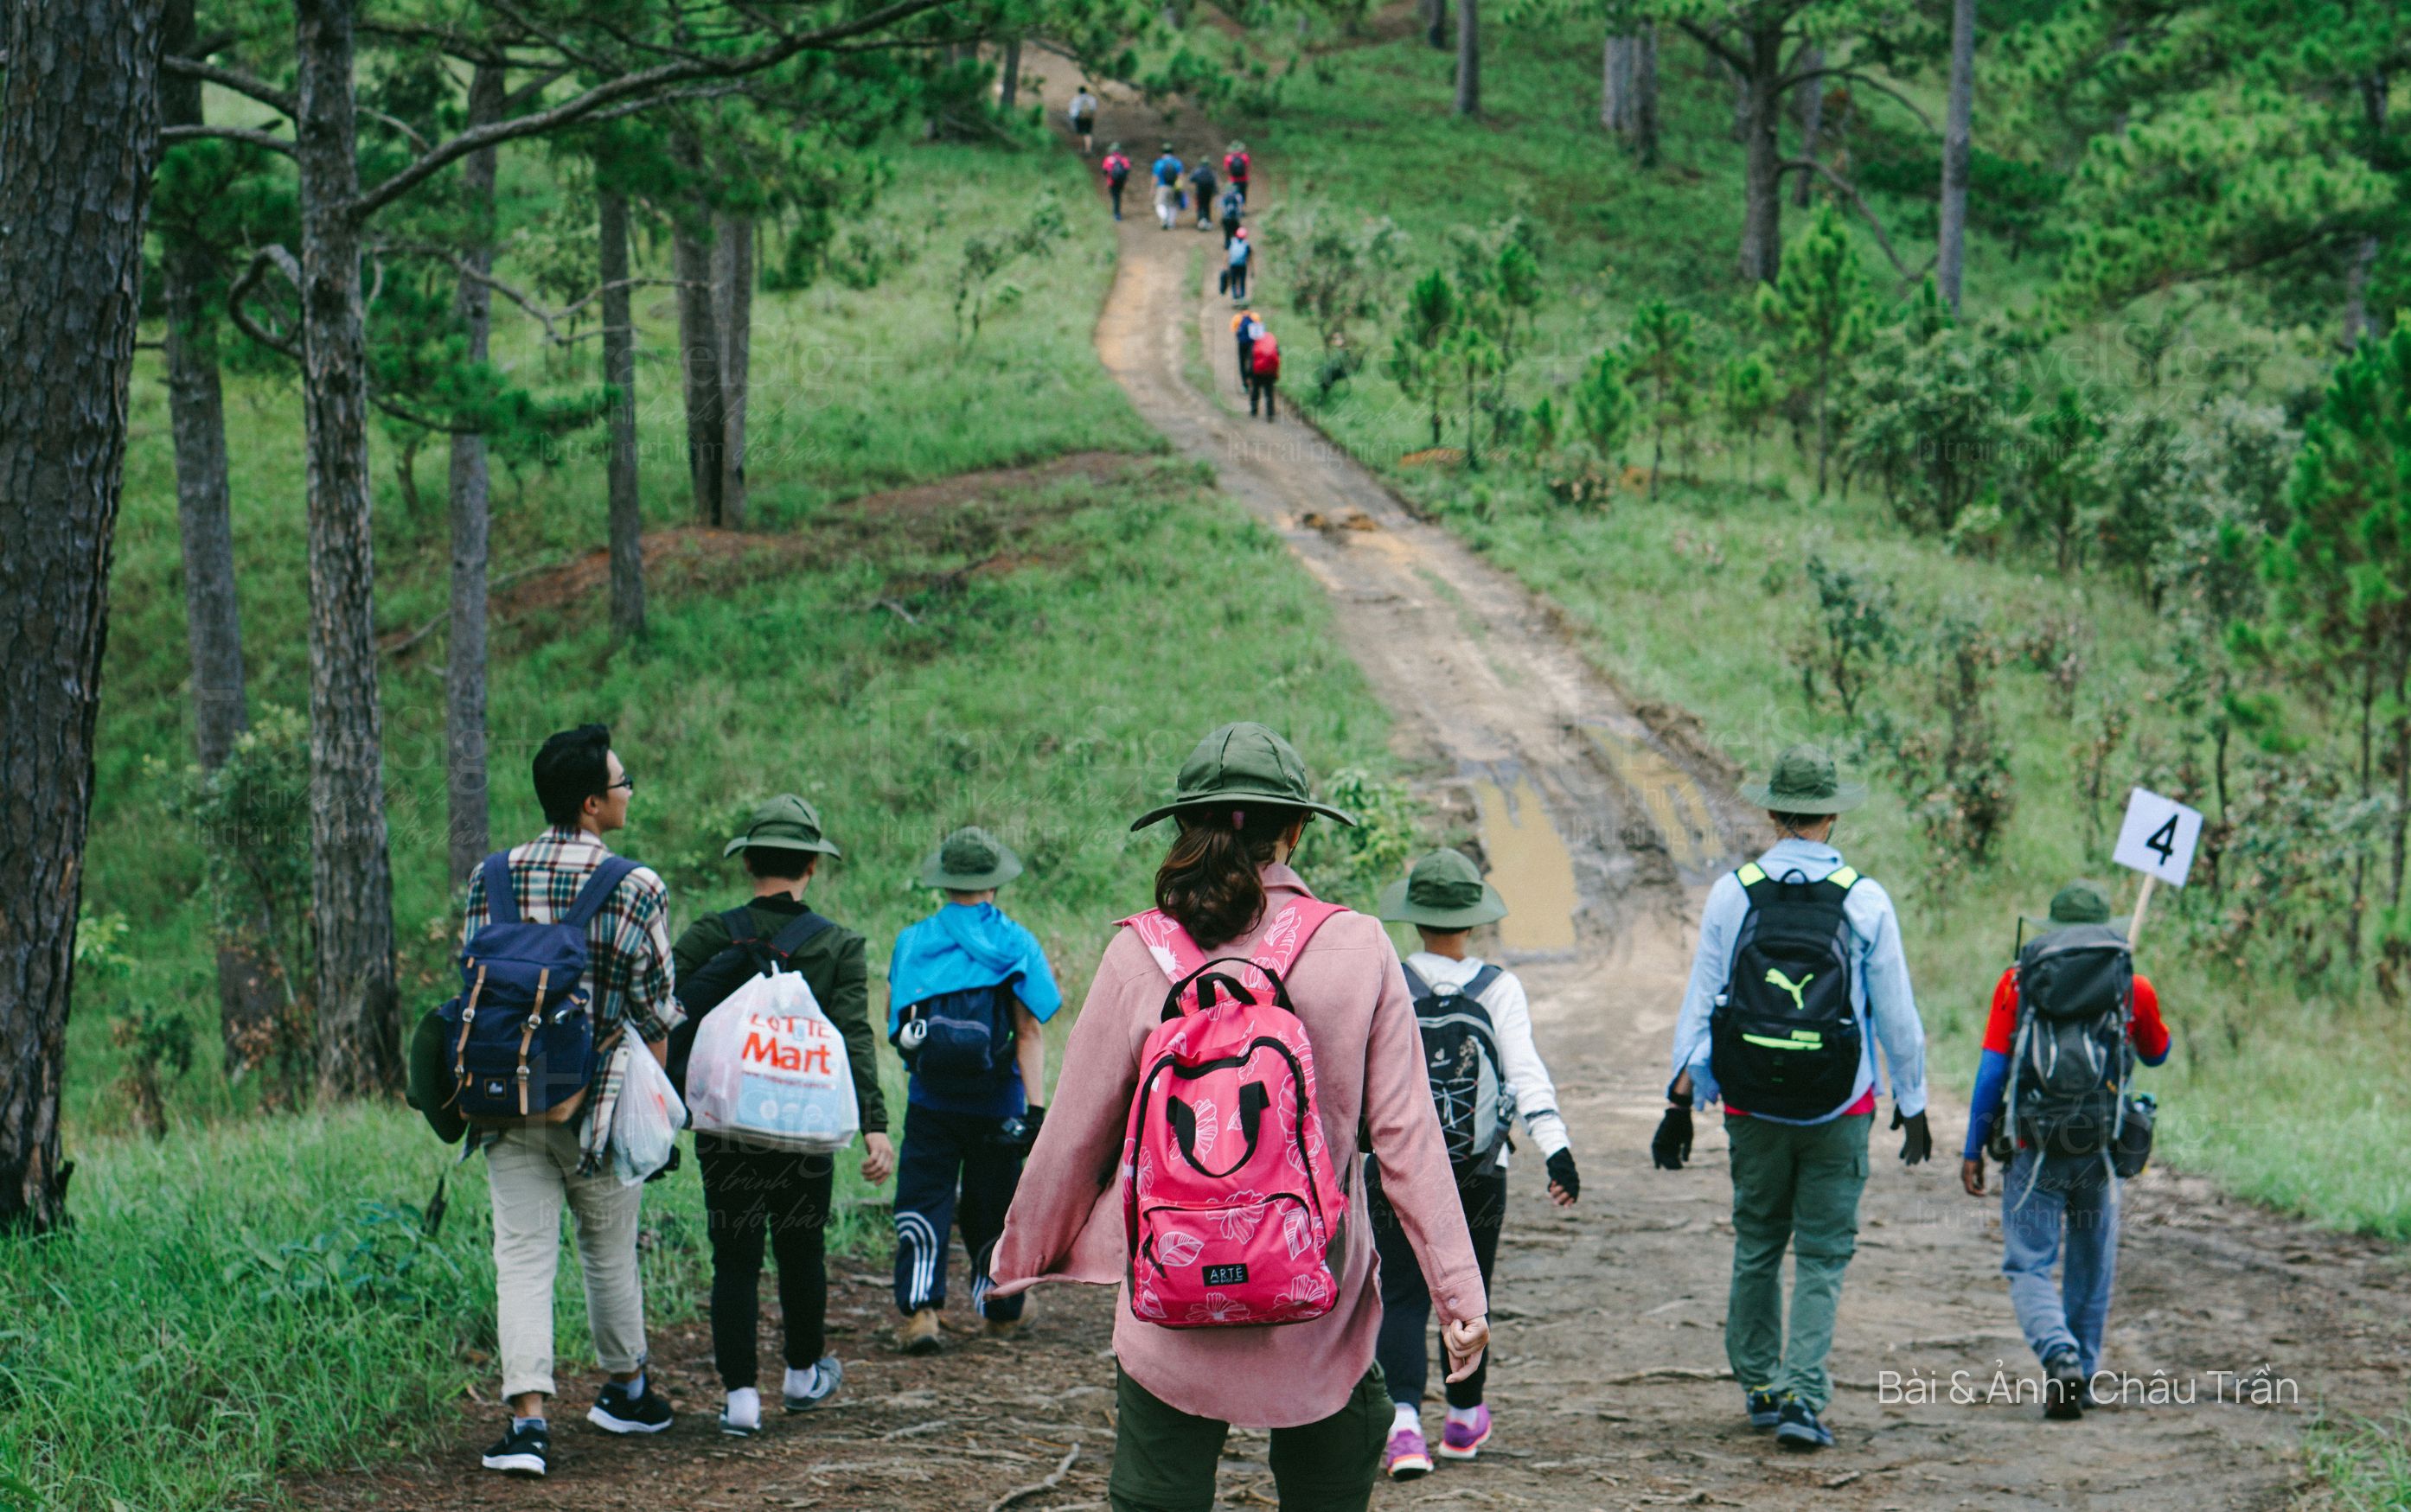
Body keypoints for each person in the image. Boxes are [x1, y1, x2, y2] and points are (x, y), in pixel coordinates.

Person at [991, 723, 1491, 1512]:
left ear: (1186, 829)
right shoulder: (1358, 947)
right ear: (1295, 831)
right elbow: (1407, 1142)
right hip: (1317, 1302)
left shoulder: (1139, 954)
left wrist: (1019, 1255)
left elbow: (1075, 1136)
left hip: (1172, 1301)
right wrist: (1459, 1297)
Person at [1651, 743, 1930, 1453]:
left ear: (1773, 811)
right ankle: (1806, 1394)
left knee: (1758, 1243)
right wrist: (1915, 1100)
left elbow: (1706, 1000)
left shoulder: (1732, 891)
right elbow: (1896, 1015)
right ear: (1831, 813)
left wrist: (1680, 1099)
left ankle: (1761, 1386)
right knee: (1824, 1253)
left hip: (1751, 1105)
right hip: (1842, 1105)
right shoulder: (1865, 897)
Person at [464, 724, 682, 1479]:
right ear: (592, 803)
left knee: (521, 1257)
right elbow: (655, 1012)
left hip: (504, 1100)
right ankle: (626, 1390)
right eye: (622, 783)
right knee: (608, 1247)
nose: (627, 792)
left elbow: (477, 989)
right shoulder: (635, 884)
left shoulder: (491, 875)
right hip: (599, 1099)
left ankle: (526, 1424)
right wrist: (655, 1112)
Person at [669, 794, 894, 1438]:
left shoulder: (712, 934)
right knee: (802, 1248)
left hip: (725, 1126)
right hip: (804, 1127)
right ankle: (800, 1375)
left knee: (734, 1258)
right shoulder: (837, 945)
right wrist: (873, 1124)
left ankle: (741, 1398)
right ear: (812, 868)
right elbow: (853, 1034)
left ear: (748, 865)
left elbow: (668, 1014)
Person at [1372, 849, 1581, 1480]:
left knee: (1402, 1294)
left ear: (1413, 917)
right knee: (1470, 1293)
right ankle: (1463, 1417)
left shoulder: (1388, 977)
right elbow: (1526, 1073)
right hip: (1481, 1168)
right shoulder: (1499, 987)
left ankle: (1403, 1425)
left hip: (1395, 1167)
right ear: (1473, 918)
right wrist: (1557, 1148)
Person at [1962, 880, 2170, 1419]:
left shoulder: (2018, 981)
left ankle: (2059, 1356)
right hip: (2100, 1144)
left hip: (2034, 1143)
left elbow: (1992, 1071)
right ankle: (2085, 1371)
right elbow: (2158, 1053)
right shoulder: (2131, 985)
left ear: (2050, 927)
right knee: (2091, 1263)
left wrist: (1972, 1148)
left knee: (2029, 1263)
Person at [886, 826, 1063, 1353]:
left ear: (944, 883)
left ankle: (921, 1313)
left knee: (924, 1200)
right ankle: (1000, 1311)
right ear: (993, 883)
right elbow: (1029, 1030)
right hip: (997, 1103)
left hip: (930, 1099)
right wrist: (1034, 1108)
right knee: (993, 1206)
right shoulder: (1015, 942)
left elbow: (898, 1027)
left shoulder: (913, 941)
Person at [1248, 320, 1279, 422]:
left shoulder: (1256, 341)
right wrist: (1275, 372)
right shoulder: (1272, 339)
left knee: (1256, 390)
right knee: (1269, 393)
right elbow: (1278, 355)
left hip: (1257, 371)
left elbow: (1251, 358)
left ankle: (1254, 411)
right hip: (1270, 372)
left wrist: (1249, 375)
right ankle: (1270, 414)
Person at [1150, 143, 1184, 231]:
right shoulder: (1177, 163)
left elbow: (1155, 177)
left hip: (1162, 186)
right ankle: (1171, 224)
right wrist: (1180, 188)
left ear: (1163, 152)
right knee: (1172, 205)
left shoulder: (1159, 163)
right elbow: (1180, 176)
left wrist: (1152, 189)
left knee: (1159, 204)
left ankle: (1164, 218)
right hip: (1174, 187)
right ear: (1172, 152)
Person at [1232, 308, 1262, 395]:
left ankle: (1245, 385)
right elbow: (1260, 332)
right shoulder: (1255, 316)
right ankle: (1252, 379)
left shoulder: (1237, 318)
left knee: (1242, 363)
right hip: (1252, 344)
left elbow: (1234, 330)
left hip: (1242, 344)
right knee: (1252, 362)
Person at [1100, 142, 1132, 222]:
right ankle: (1117, 213)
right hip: (1121, 182)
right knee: (1118, 196)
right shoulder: (1124, 159)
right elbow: (1127, 169)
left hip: (1112, 182)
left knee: (1115, 197)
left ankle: (1116, 214)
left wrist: (1108, 177)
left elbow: (1104, 171)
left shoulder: (1108, 159)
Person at [1189, 156, 1218, 232]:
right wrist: (1215, 191)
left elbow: (1191, 179)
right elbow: (1214, 182)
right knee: (1207, 206)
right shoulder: (1212, 171)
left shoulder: (1197, 170)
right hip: (1208, 192)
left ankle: (1200, 221)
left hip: (1199, 191)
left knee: (1200, 206)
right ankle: (1207, 220)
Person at [1069, 83, 1099, 154]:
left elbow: (1073, 110)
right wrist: (1093, 118)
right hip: (1088, 117)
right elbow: (1093, 109)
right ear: (1086, 91)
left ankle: (1079, 149)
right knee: (1088, 133)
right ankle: (1088, 149)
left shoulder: (1076, 99)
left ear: (1079, 91)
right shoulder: (1092, 99)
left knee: (1079, 133)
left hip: (1079, 118)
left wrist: (1073, 117)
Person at [1225, 225, 1251, 303]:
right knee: (1242, 281)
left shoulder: (1232, 242)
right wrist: (1251, 268)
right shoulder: (1246, 244)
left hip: (1233, 265)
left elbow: (1227, 254)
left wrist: (1225, 266)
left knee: (1234, 281)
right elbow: (1249, 257)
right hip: (1242, 266)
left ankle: (1235, 298)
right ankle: (1242, 297)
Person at [1224, 139, 1251, 205]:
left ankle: (1235, 207)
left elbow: (1226, 169)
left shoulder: (1228, 158)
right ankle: (1242, 207)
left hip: (1233, 179)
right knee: (1243, 193)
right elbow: (1248, 167)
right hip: (1244, 179)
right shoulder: (1245, 157)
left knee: (1233, 193)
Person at [1219, 183, 1244, 249]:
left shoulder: (1224, 197)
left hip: (1226, 218)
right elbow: (1240, 206)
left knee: (1227, 234)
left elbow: (1221, 206)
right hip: (1234, 218)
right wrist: (1239, 215)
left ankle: (1227, 246)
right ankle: (1237, 247)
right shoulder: (1238, 196)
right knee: (1236, 233)